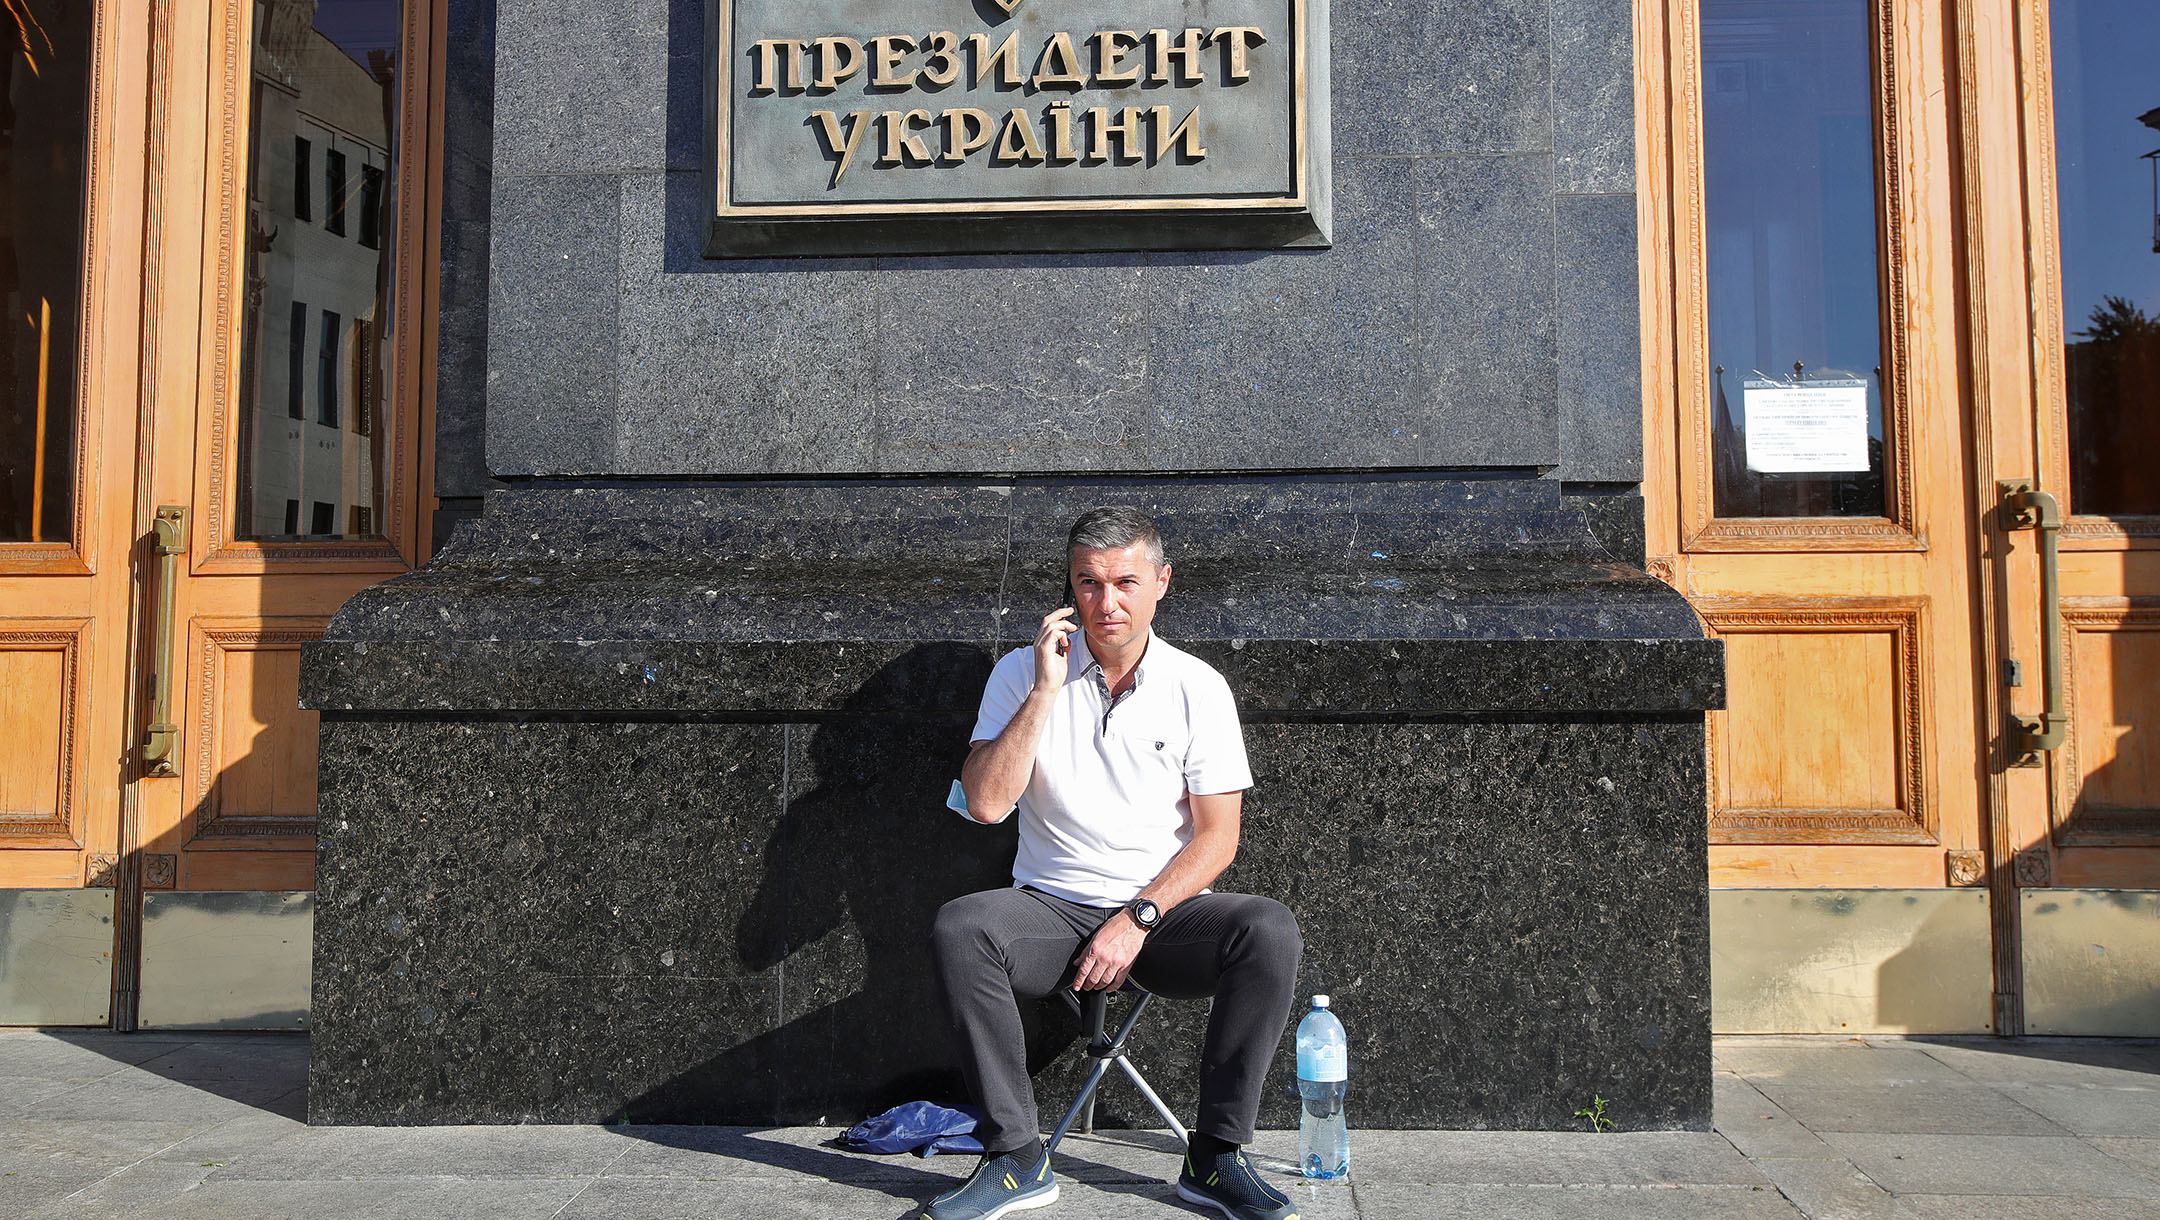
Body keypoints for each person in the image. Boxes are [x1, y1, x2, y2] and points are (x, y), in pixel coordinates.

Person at [921, 506, 1304, 1220]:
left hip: (1165, 916)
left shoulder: (1198, 688)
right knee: (961, 927)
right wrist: (1043, 690)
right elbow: (984, 805)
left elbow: (1218, 839)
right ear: (1068, 589)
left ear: (1161, 582)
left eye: (1125, 582)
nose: (1107, 602)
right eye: (1088, 583)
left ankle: (1216, 1157)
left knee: (1269, 929)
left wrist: (1138, 917)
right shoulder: (1019, 675)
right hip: (1049, 910)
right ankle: (1014, 1159)